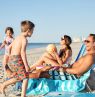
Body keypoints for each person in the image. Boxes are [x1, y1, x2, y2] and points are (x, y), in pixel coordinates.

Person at [0, 20, 35, 97]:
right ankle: (23, 95)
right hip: (17, 59)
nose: (33, 32)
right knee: (26, 77)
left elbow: (9, 47)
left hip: (11, 59)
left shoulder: (17, 38)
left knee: (19, 77)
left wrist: (10, 56)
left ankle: (3, 85)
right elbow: (22, 53)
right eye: (32, 31)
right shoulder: (24, 40)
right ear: (28, 30)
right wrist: (26, 65)